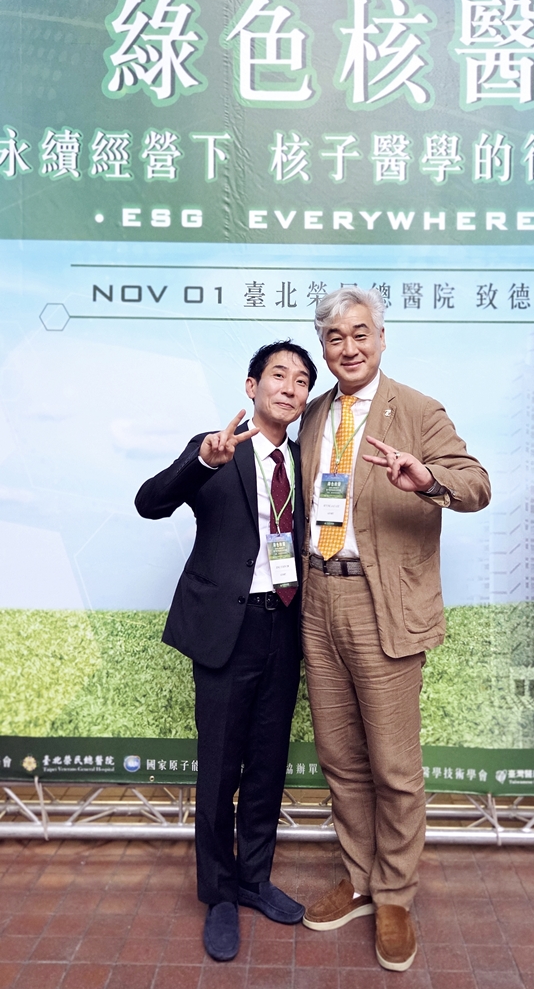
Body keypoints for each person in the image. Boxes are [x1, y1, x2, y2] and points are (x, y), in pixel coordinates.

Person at [298, 288, 491, 971]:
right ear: (323, 347)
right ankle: (359, 879)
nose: (348, 348)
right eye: (334, 338)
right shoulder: (313, 414)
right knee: (340, 759)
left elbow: (476, 484)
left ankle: (395, 896)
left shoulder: (417, 409)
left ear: (381, 338)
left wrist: (428, 478)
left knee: (394, 768)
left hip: (384, 604)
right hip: (318, 598)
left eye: (360, 334)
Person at [135, 340, 317, 962]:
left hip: (285, 626)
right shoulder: (217, 447)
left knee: (267, 763)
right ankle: (218, 893)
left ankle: (254, 880)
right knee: (219, 769)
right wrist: (201, 463)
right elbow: (149, 503)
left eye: (301, 380)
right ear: (251, 386)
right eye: (278, 375)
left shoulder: (307, 461)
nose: (289, 387)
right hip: (225, 631)